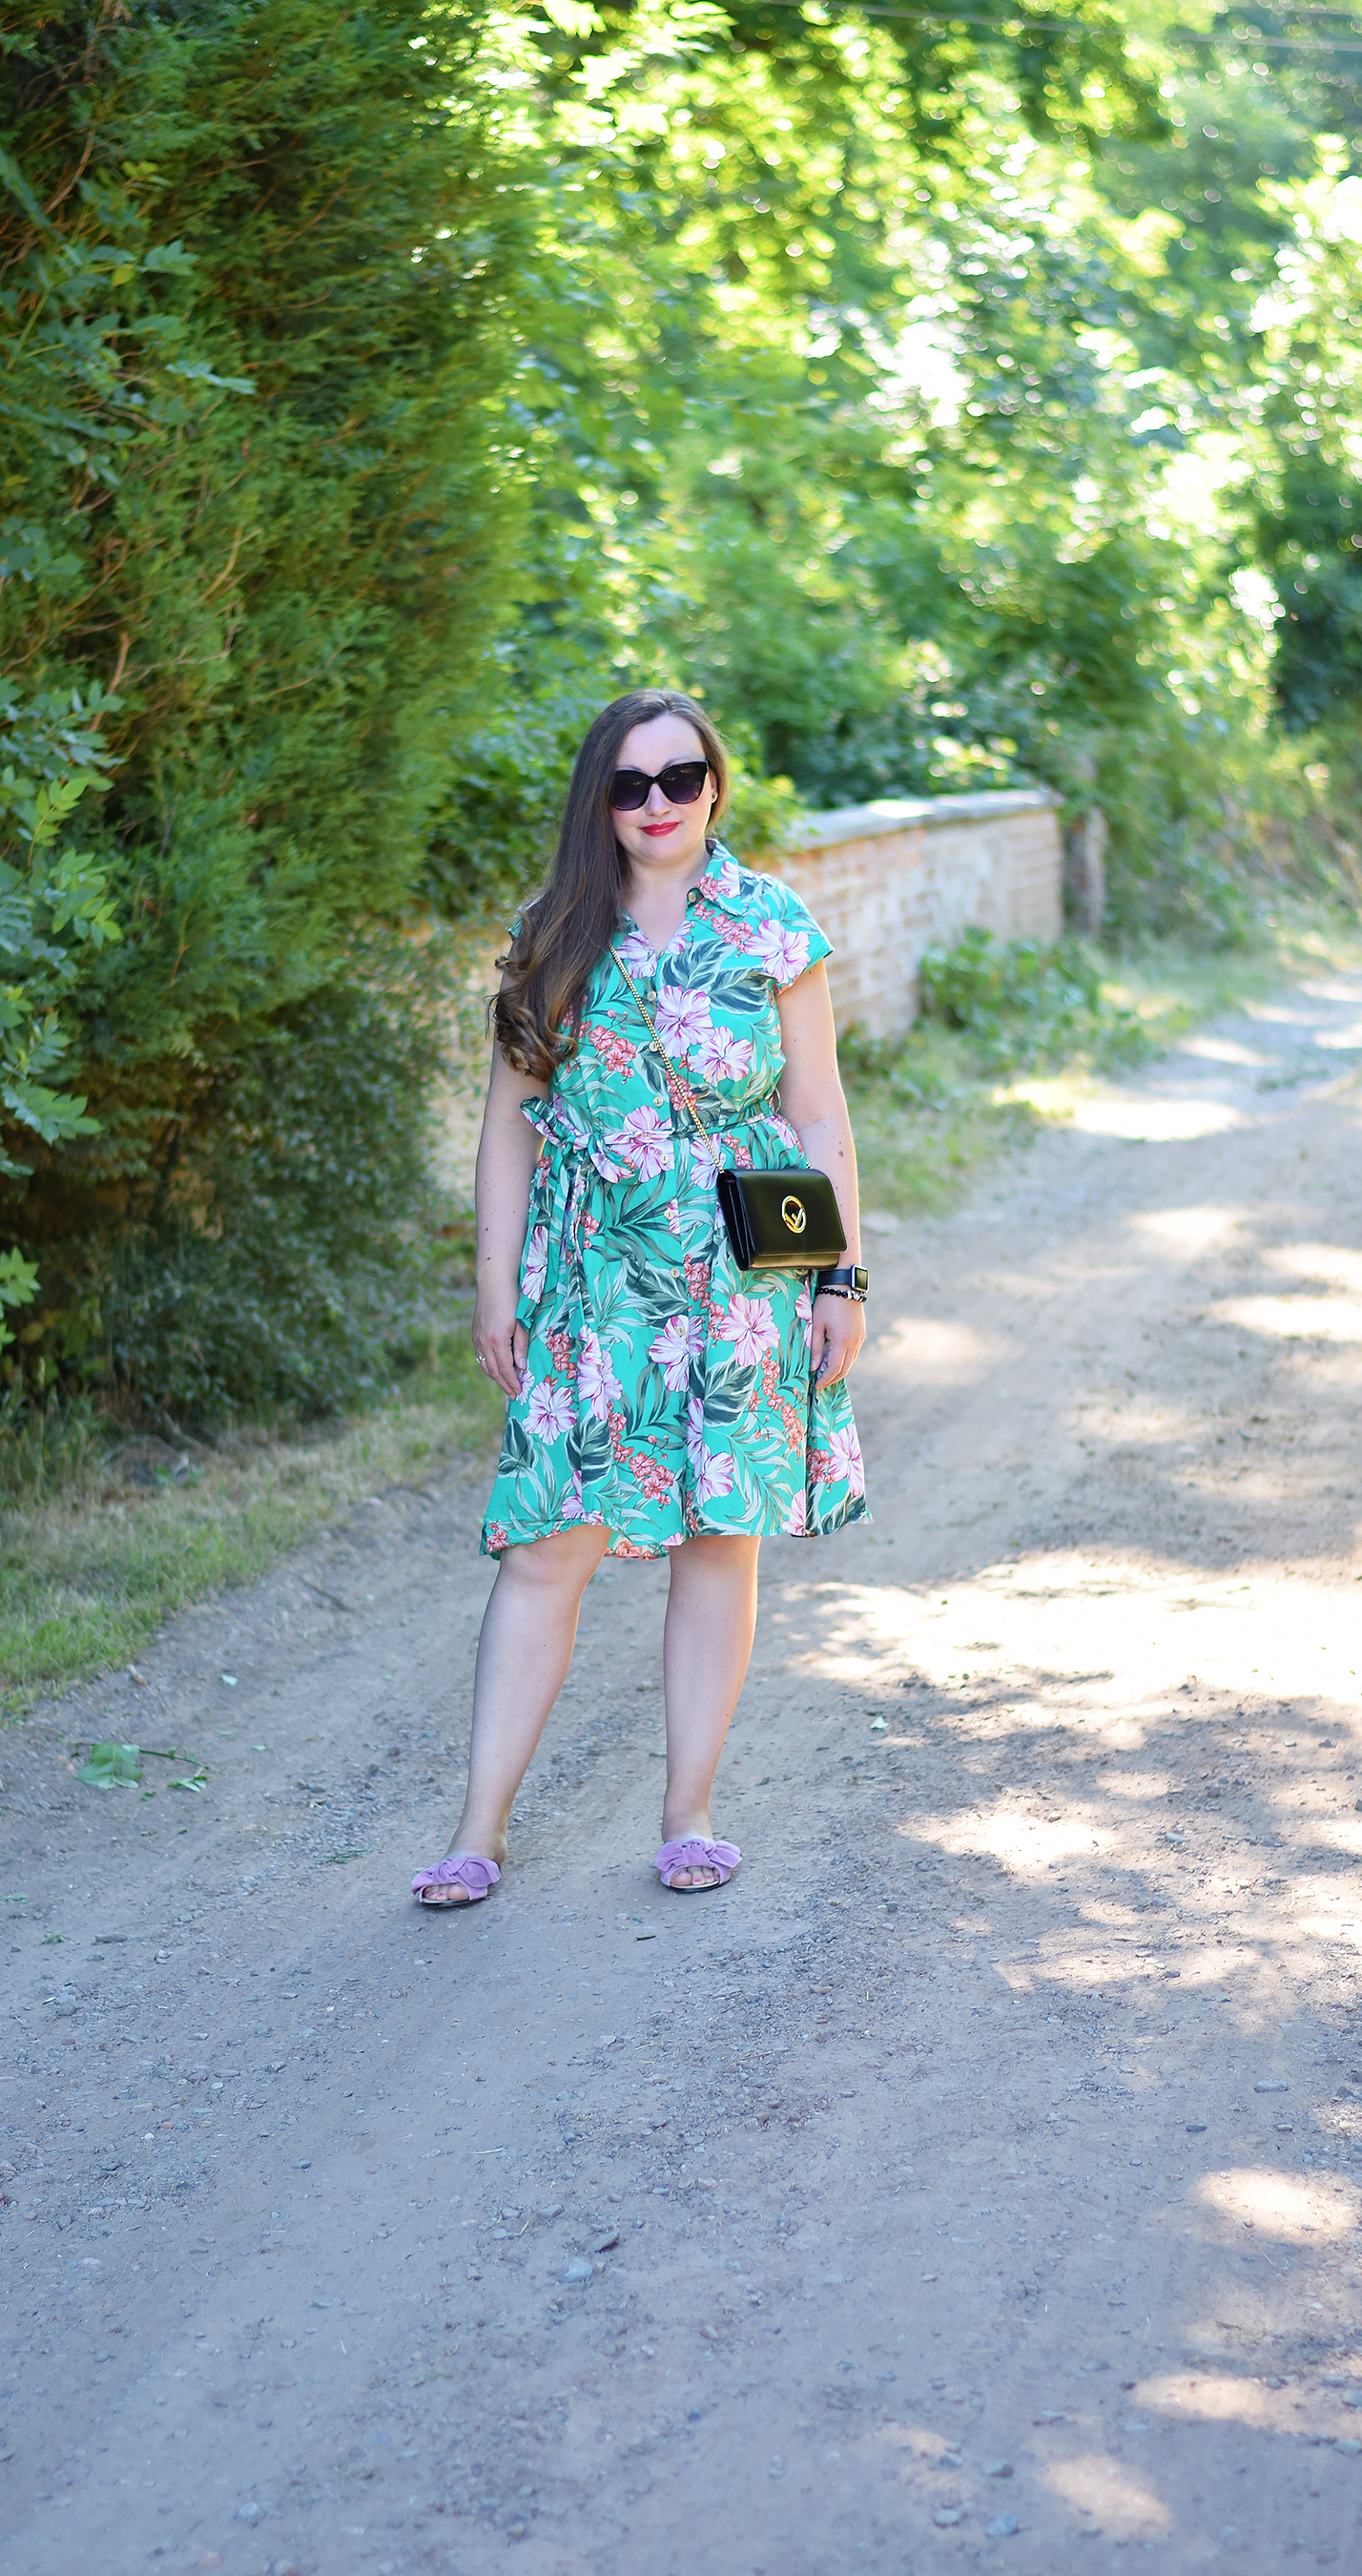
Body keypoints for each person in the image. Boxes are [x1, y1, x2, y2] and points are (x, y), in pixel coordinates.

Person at [412, 688, 870, 1909]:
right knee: (549, 1541)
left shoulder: (773, 927)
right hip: (588, 1276)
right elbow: (509, 1123)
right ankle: (478, 1830)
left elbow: (815, 1115)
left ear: (715, 784)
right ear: (599, 803)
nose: (656, 804)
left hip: (739, 1270)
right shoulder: (555, 930)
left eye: (679, 778)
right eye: (629, 784)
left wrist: (840, 1277)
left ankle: (689, 1814)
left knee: (722, 1534)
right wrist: (494, 1285)